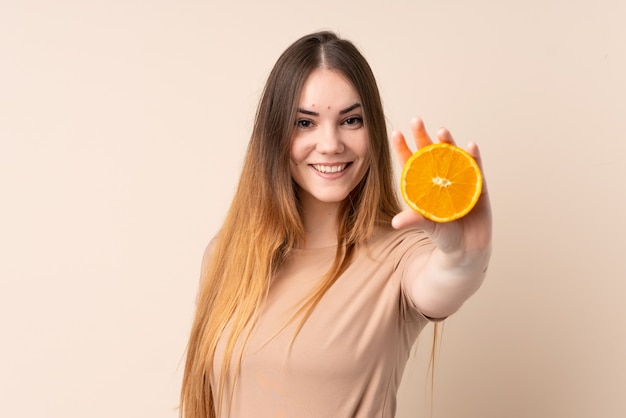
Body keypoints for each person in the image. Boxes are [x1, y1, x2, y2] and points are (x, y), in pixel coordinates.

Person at [180, 31, 492, 418]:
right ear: (274, 134)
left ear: (372, 130)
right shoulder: (227, 253)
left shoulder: (399, 255)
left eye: (350, 120)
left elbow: (447, 279)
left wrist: (467, 254)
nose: (330, 144)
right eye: (305, 123)